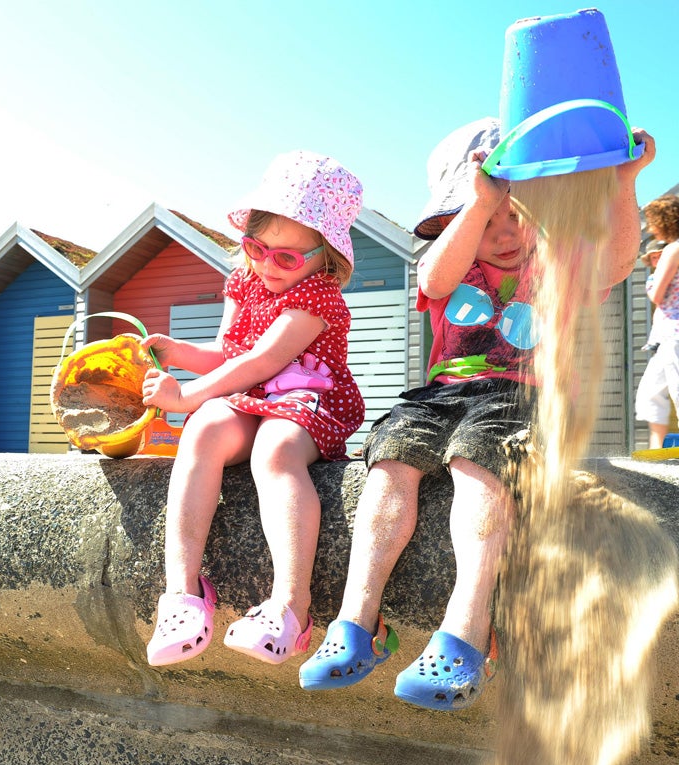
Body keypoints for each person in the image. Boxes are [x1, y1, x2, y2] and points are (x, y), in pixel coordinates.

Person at [299, 117, 655, 710]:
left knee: (478, 463)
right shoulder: (456, 265)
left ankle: (465, 628)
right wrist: (481, 202)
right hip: (439, 395)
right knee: (390, 462)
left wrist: (623, 181)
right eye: (486, 215)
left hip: (521, 394)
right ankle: (356, 623)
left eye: (518, 212)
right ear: (454, 219)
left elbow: (619, 262)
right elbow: (433, 276)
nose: (503, 229)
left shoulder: (556, 268)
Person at [140, 150, 366, 667]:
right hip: (252, 396)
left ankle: (292, 605)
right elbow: (230, 354)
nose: (267, 264)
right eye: (257, 247)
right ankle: (183, 594)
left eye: (286, 258)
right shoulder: (244, 282)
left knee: (276, 450)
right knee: (201, 432)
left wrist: (186, 395)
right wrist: (181, 355)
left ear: (324, 257)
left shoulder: (319, 298)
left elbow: (266, 359)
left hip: (307, 399)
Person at [635, 195, 679, 450]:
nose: (651, 228)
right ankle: (656, 450)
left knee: (675, 387)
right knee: (651, 393)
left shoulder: (673, 249)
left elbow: (656, 294)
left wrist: (650, 281)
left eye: (652, 223)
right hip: (666, 336)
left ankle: (657, 448)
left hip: (674, 332)